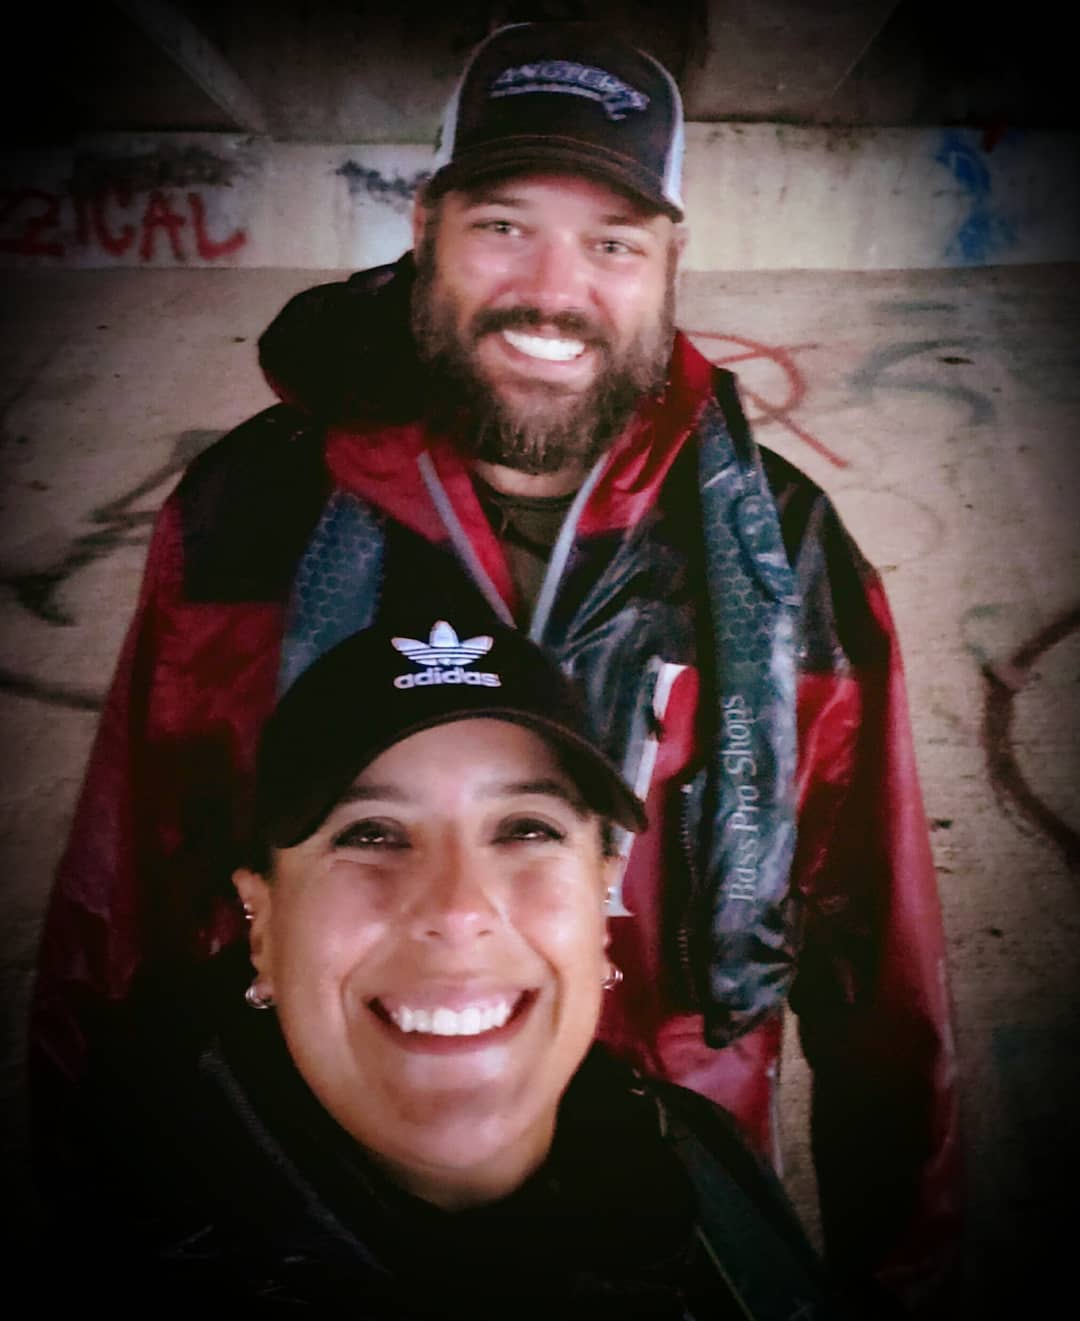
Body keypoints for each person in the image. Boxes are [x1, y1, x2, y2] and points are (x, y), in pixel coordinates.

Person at [30, 20, 959, 1312]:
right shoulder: (244, 512)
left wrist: (899, 1274)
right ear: (426, 228)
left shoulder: (790, 558)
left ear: (670, 263)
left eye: (613, 244)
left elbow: (881, 972)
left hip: (660, 1202)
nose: (553, 289)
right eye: (505, 225)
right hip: (299, 1196)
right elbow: (119, 913)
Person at [41, 617, 864, 1317]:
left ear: (600, 898)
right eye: (368, 833)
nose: (458, 908)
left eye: (526, 828)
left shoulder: (708, 1169)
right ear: (262, 922)